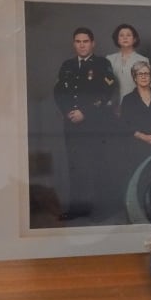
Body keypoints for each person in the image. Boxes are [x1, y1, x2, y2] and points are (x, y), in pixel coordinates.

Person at [53, 27, 116, 221]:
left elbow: (106, 91)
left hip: (95, 123)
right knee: (75, 166)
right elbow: (59, 91)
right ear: (74, 44)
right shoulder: (68, 65)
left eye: (85, 41)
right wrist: (67, 112)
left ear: (92, 43)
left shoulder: (101, 63)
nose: (82, 45)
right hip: (72, 123)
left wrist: (84, 112)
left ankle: (99, 211)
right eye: (78, 41)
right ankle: (77, 209)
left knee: (97, 165)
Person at [106, 23, 149, 115]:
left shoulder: (143, 60)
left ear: (134, 39)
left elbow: (147, 87)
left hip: (135, 105)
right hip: (112, 106)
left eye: (128, 35)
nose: (125, 38)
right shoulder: (109, 59)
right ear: (117, 39)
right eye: (121, 35)